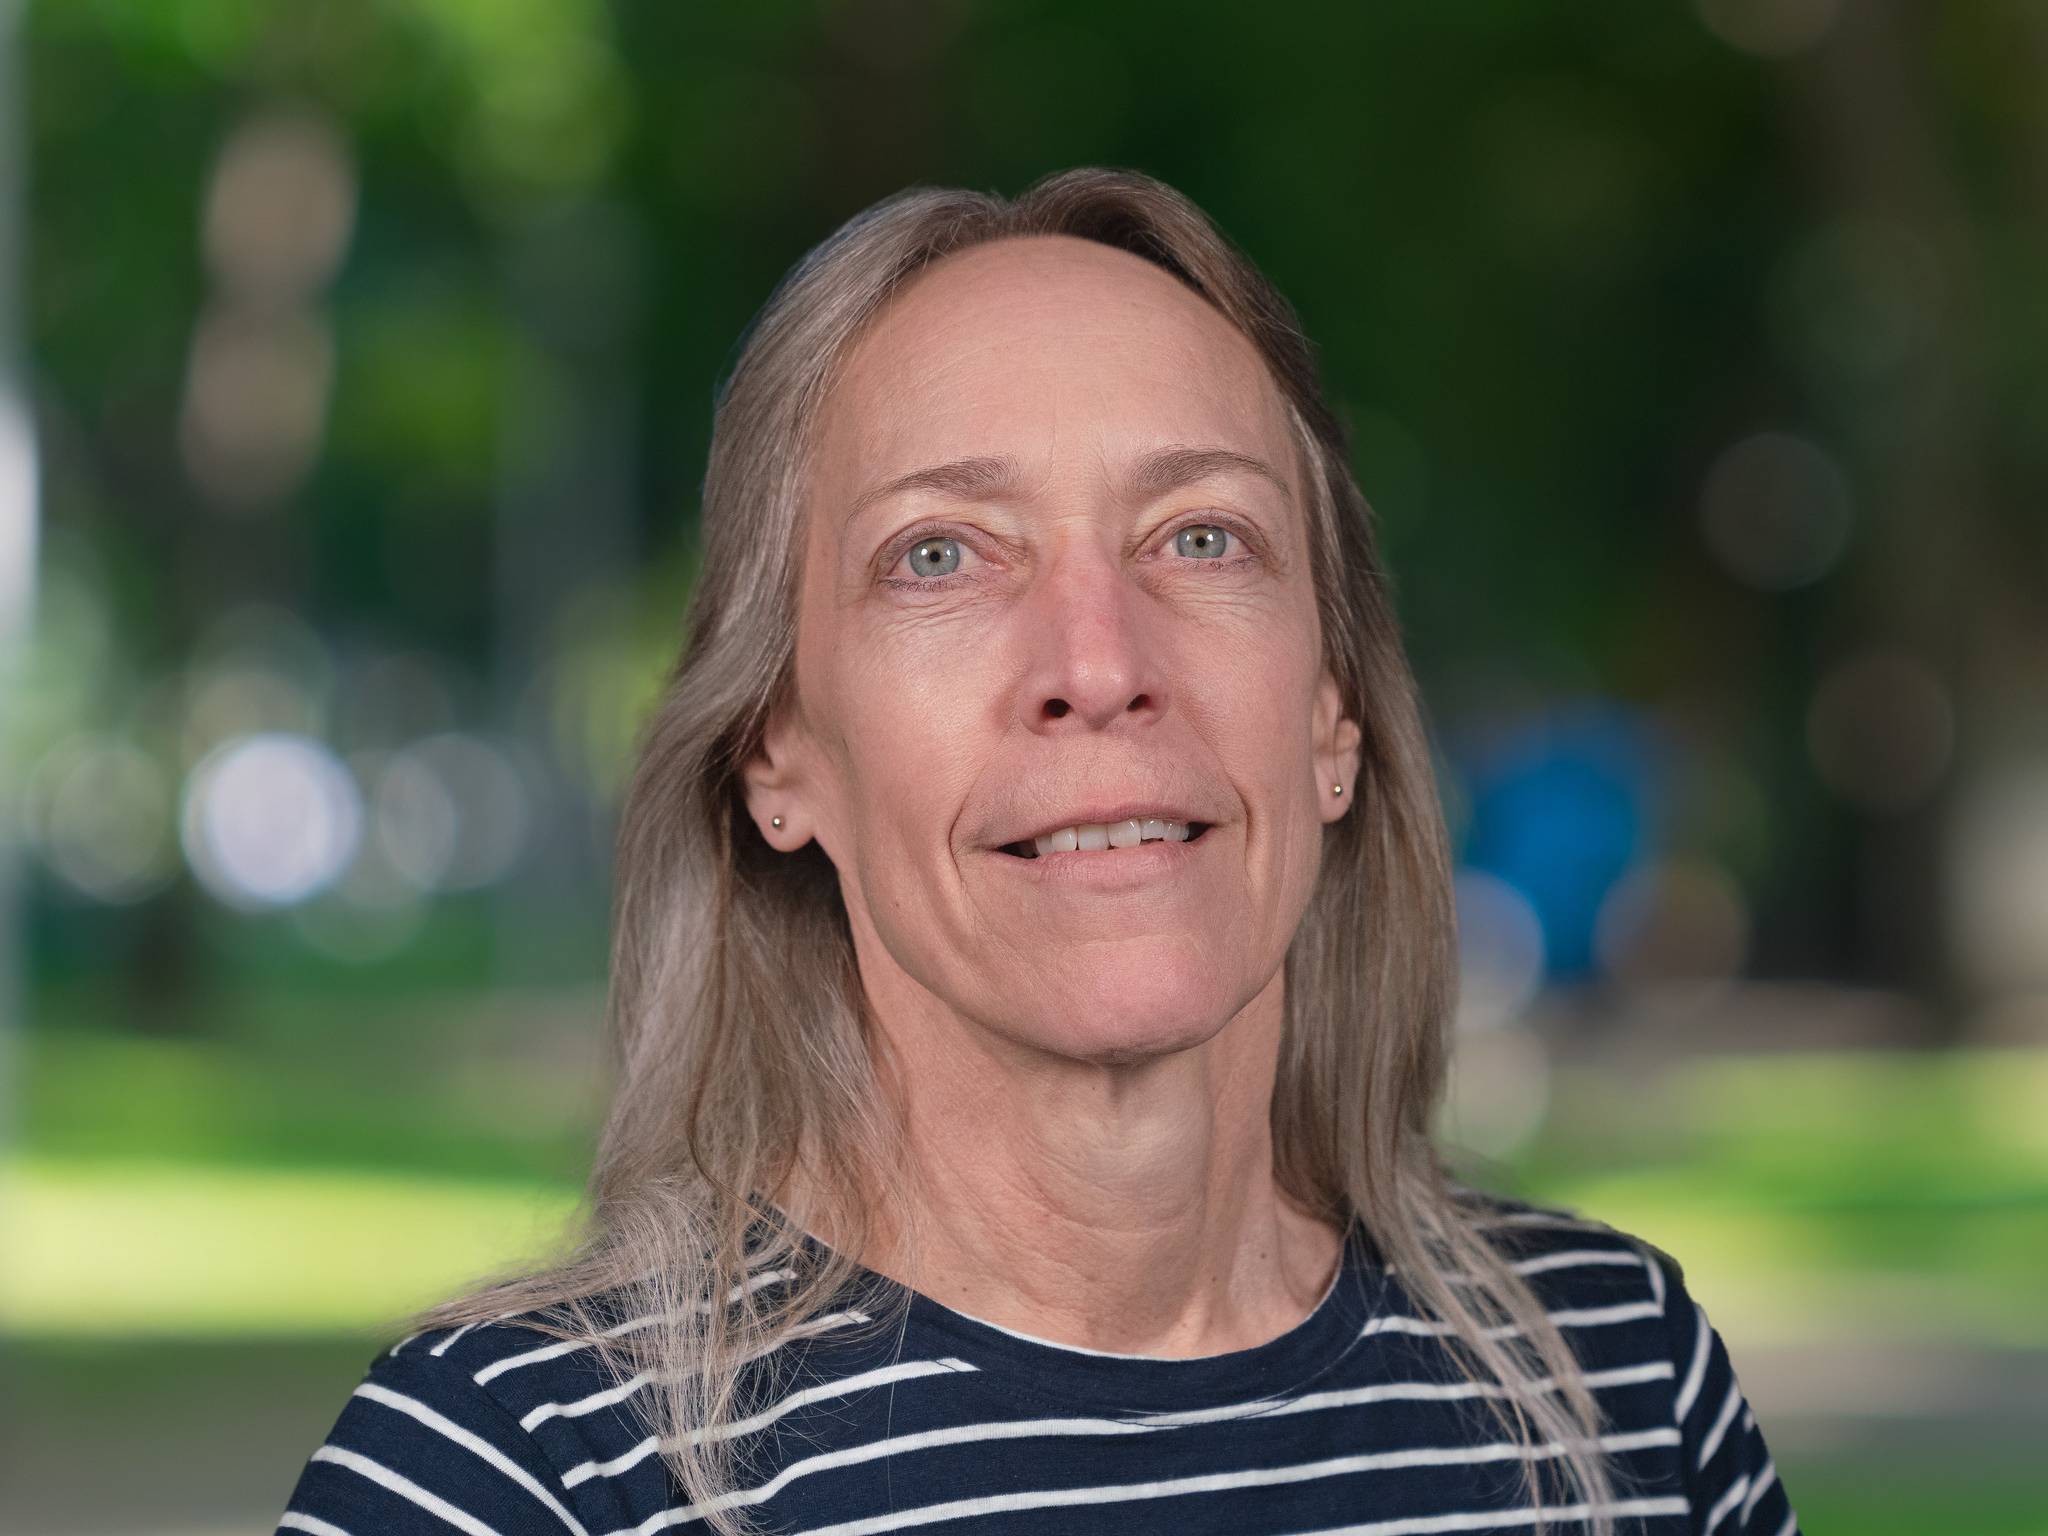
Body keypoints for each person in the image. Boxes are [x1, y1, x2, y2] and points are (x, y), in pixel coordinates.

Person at [276, 168, 1801, 1536]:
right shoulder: (523, 1478)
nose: (1098, 660)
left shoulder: (1625, 1397)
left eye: (1202, 537)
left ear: (1331, 717)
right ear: (778, 750)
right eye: (939, 555)